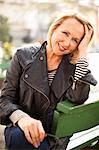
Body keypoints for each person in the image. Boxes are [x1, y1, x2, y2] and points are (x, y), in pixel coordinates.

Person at [0, 12, 97, 150]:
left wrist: (82, 54)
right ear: (54, 28)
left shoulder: (74, 69)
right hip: (20, 130)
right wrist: (22, 118)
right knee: (19, 136)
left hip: (53, 139)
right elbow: (4, 100)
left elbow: (78, 98)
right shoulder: (22, 56)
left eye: (76, 40)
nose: (67, 43)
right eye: (65, 33)